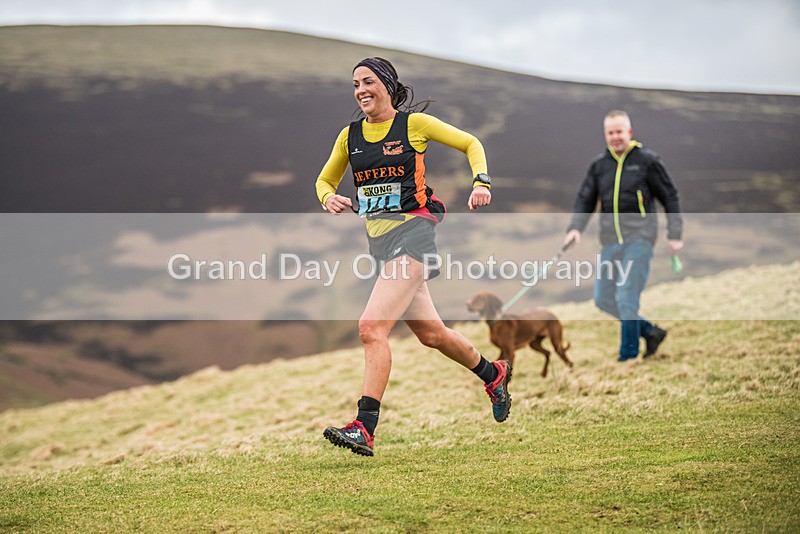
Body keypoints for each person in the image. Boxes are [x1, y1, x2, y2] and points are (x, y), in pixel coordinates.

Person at [315, 57, 511, 456]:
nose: (360, 90)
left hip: (415, 236)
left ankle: (364, 426)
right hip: (381, 246)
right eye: (355, 84)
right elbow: (324, 179)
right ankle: (493, 373)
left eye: (368, 82)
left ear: (386, 84)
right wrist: (327, 197)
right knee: (432, 335)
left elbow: (470, 143)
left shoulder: (413, 126)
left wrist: (481, 182)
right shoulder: (348, 136)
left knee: (371, 328)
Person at [564, 110, 683, 362]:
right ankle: (649, 331)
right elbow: (585, 198)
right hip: (610, 241)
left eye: (620, 131)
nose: (615, 137)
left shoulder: (647, 161)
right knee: (602, 298)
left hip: (639, 239)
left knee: (628, 296)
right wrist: (575, 229)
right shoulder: (599, 166)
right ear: (605, 135)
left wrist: (675, 234)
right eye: (611, 132)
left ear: (629, 132)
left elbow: (670, 195)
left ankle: (627, 357)